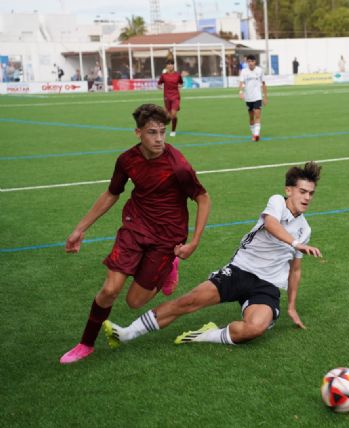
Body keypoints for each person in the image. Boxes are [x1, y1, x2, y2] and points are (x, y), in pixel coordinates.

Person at [103, 161, 323, 350]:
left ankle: (207, 334)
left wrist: (292, 306)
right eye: (302, 191)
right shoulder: (277, 202)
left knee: (255, 328)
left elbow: (295, 270)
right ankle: (126, 333)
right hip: (239, 271)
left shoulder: (305, 229)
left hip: (267, 285)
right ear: (288, 191)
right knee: (188, 302)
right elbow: (271, 223)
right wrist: (295, 243)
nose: (307, 198)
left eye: (311, 193)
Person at [59, 104, 211, 364]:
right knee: (109, 289)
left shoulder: (178, 165)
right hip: (135, 226)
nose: (159, 139)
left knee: (135, 301)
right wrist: (79, 229)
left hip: (168, 236)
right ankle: (86, 344)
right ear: (138, 133)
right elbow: (112, 193)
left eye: (162, 132)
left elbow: (203, 198)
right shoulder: (127, 160)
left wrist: (194, 241)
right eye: (152, 132)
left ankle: (168, 267)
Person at [238, 54, 267, 142]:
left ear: (255, 62)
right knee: (251, 118)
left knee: (257, 114)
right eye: (249, 61)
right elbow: (242, 83)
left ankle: (256, 135)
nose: (250, 63)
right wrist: (241, 92)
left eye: (252, 61)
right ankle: (253, 133)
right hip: (248, 97)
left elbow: (263, 83)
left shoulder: (260, 71)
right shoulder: (244, 71)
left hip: (258, 96)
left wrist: (265, 96)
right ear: (247, 62)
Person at [157, 59, 183, 137]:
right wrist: (159, 86)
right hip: (167, 97)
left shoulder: (178, 75)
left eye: (171, 64)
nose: (170, 65)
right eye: (168, 64)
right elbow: (159, 83)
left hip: (175, 96)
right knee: (167, 116)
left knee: (173, 114)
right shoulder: (163, 75)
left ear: (173, 65)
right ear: (166, 66)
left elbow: (181, 83)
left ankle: (173, 131)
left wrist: (180, 86)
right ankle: (162, 130)